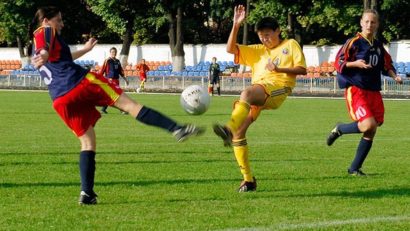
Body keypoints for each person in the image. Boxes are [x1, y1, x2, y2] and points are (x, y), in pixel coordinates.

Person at [29, 6, 204, 205]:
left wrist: (84, 50)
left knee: (87, 143)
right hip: (80, 83)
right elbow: (44, 42)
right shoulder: (44, 31)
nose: (61, 23)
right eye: (58, 20)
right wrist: (43, 52)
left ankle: (86, 193)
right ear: (45, 20)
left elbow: (60, 57)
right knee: (130, 106)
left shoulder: (44, 42)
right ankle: (177, 128)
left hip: (60, 98)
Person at [212, 5, 307, 192]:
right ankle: (248, 180)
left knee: (246, 93)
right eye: (261, 36)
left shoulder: (290, 45)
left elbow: (302, 69)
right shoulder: (257, 50)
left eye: (268, 34)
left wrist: (279, 69)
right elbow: (230, 49)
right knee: (240, 132)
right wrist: (236, 25)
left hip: (279, 88)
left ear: (278, 31)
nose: (265, 39)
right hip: (259, 92)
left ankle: (228, 129)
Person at [326, 9, 402, 176]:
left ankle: (354, 168)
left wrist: (394, 76)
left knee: (371, 130)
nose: (369, 25)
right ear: (361, 22)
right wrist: (355, 64)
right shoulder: (353, 42)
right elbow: (338, 62)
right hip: (356, 89)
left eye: (373, 22)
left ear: (377, 24)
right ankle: (339, 128)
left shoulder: (378, 45)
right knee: (368, 124)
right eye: (366, 21)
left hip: (374, 91)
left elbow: (387, 65)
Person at [99, 47, 129, 114]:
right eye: (112, 52)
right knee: (117, 95)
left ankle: (103, 109)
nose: (113, 53)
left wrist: (125, 79)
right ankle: (122, 110)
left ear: (116, 53)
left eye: (114, 52)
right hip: (110, 80)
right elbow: (101, 71)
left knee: (111, 96)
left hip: (116, 80)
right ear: (110, 53)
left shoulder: (117, 61)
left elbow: (121, 71)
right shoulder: (107, 61)